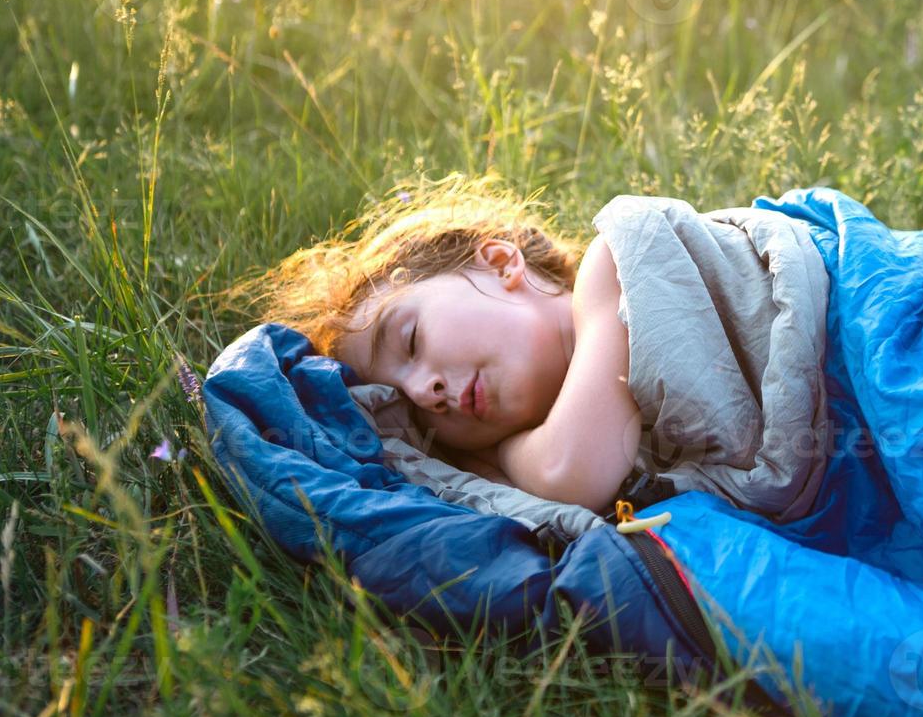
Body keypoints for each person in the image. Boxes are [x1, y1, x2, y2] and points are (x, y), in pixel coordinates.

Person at [227, 173, 642, 514]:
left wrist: (503, 455)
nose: (425, 393)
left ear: (499, 264)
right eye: (410, 407)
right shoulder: (588, 442)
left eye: (411, 341)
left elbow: (568, 473)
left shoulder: (613, 268)